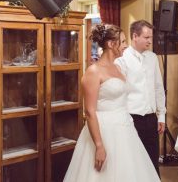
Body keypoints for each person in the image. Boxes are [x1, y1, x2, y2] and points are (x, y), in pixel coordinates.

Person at [64, 24, 160, 182]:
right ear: (111, 44)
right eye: (122, 42)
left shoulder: (117, 67)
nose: (126, 45)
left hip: (125, 129)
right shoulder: (93, 71)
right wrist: (99, 145)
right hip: (104, 130)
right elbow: (89, 112)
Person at [115, 20, 166, 176]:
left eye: (151, 37)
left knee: (152, 162)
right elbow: (119, 93)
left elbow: (158, 87)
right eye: (146, 37)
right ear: (135, 36)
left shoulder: (152, 57)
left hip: (151, 119)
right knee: (133, 164)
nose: (150, 41)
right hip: (131, 119)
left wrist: (161, 115)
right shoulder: (121, 59)